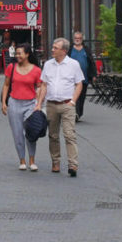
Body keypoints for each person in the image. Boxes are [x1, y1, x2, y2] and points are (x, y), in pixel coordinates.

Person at [36, 38, 84, 177]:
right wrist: (39, 103)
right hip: (51, 104)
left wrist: (73, 101)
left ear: (64, 51)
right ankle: (55, 162)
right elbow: (44, 84)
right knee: (53, 135)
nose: (52, 49)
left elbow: (79, 83)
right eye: (52, 47)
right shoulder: (48, 64)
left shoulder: (73, 64)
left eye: (55, 48)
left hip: (67, 104)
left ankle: (73, 164)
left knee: (69, 135)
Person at [1, 44, 42, 170]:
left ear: (27, 54)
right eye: (16, 53)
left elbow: (40, 86)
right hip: (14, 103)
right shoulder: (11, 67)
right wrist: (4, 102)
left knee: (31, 132)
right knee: (17, 133)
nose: (17, 56)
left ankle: (32, 160)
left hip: (30, 104)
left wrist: (38, 103)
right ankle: (22, 160)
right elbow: (6, 85)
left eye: (20, 53)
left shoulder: (36, 70)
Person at [68, 31, 96, 122]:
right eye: (76, 38)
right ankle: (74, 113)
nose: (77, 40)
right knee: (73, 95)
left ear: (82, 39)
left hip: (84, 78)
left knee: (82, 96)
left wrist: (93, 75)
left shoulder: (86, 49)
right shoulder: (70, 49)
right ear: (73, 39)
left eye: (79, 38)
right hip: (71, 78)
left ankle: (79, 113)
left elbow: (91, 62)